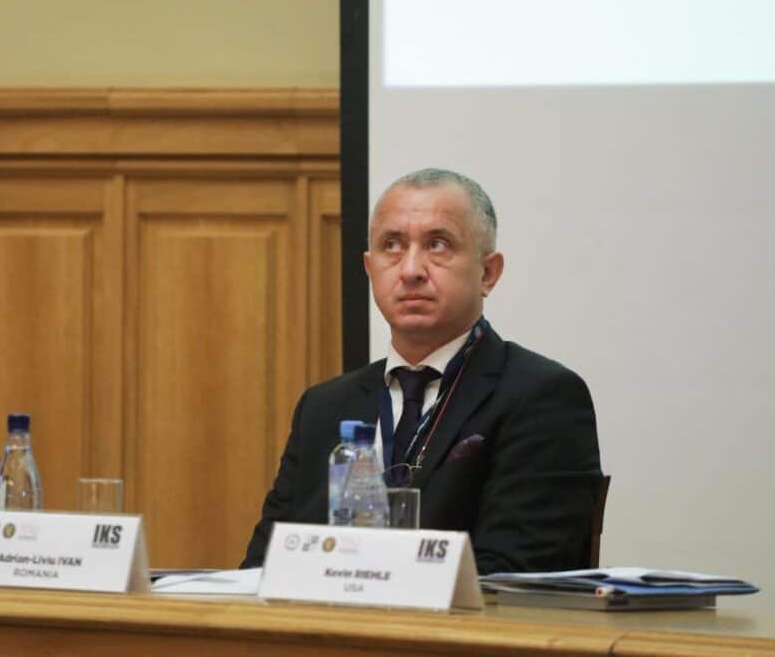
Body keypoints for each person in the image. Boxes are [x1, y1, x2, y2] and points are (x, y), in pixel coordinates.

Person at [241, 168, 602, 574]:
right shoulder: (324, 407)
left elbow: (515, 577)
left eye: (437, 244)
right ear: (369, 268)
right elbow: (263, 567)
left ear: (488, 273)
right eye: (392, 245)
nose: (411, 269)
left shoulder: (542, 397)